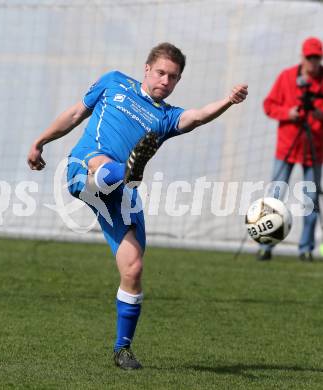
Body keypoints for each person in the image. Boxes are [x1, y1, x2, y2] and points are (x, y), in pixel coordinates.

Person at [27, 42, 248, 369]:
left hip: (121, 195)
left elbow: (198, 116)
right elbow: (75, 113)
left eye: (173, 77)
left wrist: (229, 101)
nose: (165, 81)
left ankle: (123, 349)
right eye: (161, 72)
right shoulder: (113, 82)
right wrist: (39, 142)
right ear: (146, 69)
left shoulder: (167, 117)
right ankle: (122, 172)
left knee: (134, 268)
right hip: (84, 167)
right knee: (103, 164)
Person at [257, 37, 323, 262]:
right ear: (302, 57)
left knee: (310, 202)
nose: (314, 62)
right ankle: (266, 245)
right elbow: (268, 105)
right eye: (310, 57)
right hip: (286, 148)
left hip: (315, 150)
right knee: (275, 198)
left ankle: (306, 248)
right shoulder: (286, 77)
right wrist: (289, 113)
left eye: (317, 58)